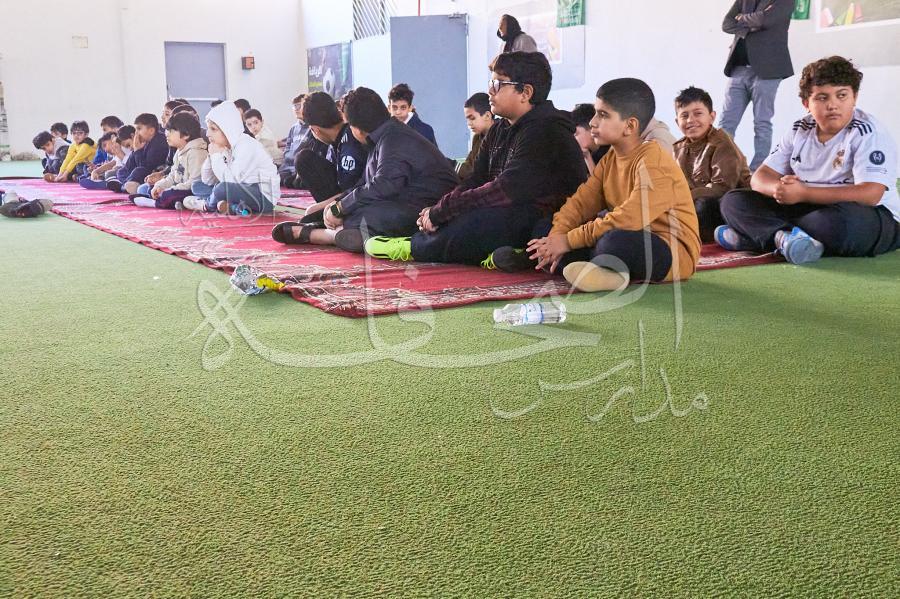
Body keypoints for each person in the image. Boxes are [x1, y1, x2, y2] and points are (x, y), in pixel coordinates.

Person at [364, 51, 587, 267]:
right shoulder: (499, 128)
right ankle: (501, 254)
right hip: (511, 209)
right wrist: (441, 208)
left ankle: (414, 248)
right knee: (453, 211)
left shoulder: (546, 130)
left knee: (476, 221)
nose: (490, 91)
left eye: (498, 84)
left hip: (544, 217)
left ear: (525, 93)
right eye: (491, 83)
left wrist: (444, 211)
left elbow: (505, 190)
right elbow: (476, 178)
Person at [498, 78, 701, 293]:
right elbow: (579, 204)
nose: (593, 122)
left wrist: (567, 242)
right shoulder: (610, 159)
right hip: (622, 235)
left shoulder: (654, 159)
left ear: (630, 126)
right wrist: (556, 237)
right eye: (596, 113)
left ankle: (590, 267)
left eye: (603, 115)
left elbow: (629, 219)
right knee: (545, 228)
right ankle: (603, 272)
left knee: (612, 242)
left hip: (668, 251)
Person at [717, 56, 900, 264]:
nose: (833, 105)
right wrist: (780, 189)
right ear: (807, 103)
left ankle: (758, 236)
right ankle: (784, 238)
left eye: (842, 95)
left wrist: (803, 192)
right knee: (733, 201)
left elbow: (870, 194)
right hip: (807, 208)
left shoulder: (867, 132)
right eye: (822, 98)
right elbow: (760, 177)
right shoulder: (800, 129)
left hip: (867, 215)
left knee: (836, 223)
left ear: (854, 97)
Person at [272, 87, 457, 253]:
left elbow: (383, 185)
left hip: (431, 208)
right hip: (404, 198)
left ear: (357, 130)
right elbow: (364, 183)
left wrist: (341, 208)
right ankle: (333, 229)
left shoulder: (394, 139)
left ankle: (323, 235)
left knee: (365, 216)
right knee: (328, 213)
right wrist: (337, 204)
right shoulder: (381, 137)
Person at [719, 0, 794, 170]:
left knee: (762, 123)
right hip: (739, 68)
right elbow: (726, 24)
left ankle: (758, 171)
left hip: (767, 71)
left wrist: (742, 19)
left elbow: (765, 20)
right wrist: (752, 24)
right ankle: (723, 167)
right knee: (725, 123)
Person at [672, 86, 751, 242]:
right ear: (677, 121)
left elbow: (722, 188)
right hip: (692, 202)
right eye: (684, 116)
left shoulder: (722, 142)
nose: (690, 120)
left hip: (729, 206)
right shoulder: (678, 148)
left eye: (698, 114)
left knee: (702, 205)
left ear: (712, 117)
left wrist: (684, 197)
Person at [275, 91, 366, 207]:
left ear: (315, 129)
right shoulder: (339, 139)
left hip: (357, 203)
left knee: (303, 159)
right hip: (352, 197)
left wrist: (328, 208)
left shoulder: (349, 144)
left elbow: (352, 191)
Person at [188, 102, 280, 214]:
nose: (207, 134)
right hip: (240, 189)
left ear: (227, 129)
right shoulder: (226, 146)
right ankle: (233, 207)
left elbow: (230, 182)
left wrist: (216, 156)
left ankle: (207, 205)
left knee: (221, 189)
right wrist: (211, 156)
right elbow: (207, 180)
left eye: (213, 129)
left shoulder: (246, 145)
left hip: (262, 196)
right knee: (197, 185)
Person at [132, 113, 209, 209]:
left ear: (186, 135)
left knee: (169, 195)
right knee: (152, 189)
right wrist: (160, 185)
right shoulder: (179, 152)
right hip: (178, 188)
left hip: (190, 190)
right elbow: (172, 176)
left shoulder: (197, 153)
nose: (166, 133)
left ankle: (155, 203)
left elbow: (194, 183)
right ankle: (169, 202)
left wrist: (170, 189)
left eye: (171, 131)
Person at [108, 114, 168, 194]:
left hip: (154, 172)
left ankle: (124, 186)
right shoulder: (145, 142)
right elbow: (129, 166)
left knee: (138, 171)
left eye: (139, 129)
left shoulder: (159, 141)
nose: (136, 133)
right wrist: (135, 150)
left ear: (151, 131)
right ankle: (127, 184)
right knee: (121, 171)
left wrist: (137, 151)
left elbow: (145, 167)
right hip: (141, 172)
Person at [457, 92, 496, 180]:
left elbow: (477, 173)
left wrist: (452, 165)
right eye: (467, 119)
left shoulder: (500, 136)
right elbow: (469, 165)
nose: (469, 123)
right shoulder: (477, 138)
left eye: (472, 118)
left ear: (487, 116)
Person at [572, 103, 609, 172]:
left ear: (591, 129)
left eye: (576, 134)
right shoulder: (584, 156)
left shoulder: (613, 151)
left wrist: (587, 157)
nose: (573, 140)